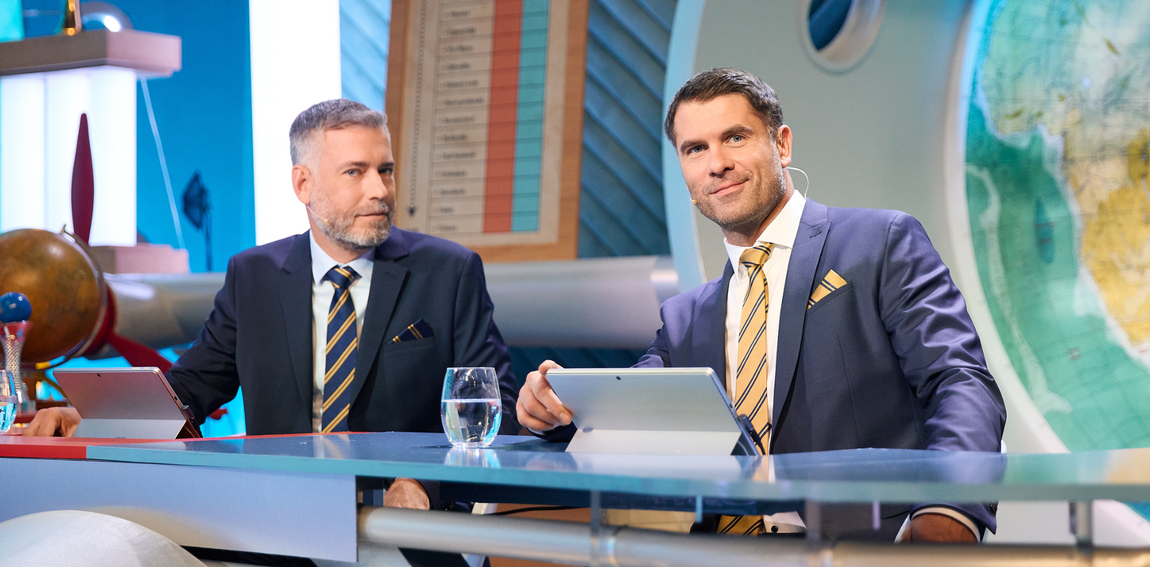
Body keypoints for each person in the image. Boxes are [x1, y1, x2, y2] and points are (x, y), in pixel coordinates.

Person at [517, 68, 1006, 543]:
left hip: (858, 549)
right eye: (695, 149)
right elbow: (625, 415)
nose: (716, 164)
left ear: (782, 145)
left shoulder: (879, 243)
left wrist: (951, 509)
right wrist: (554, 406)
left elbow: (959, 380)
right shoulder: (684, 318)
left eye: (734, 138)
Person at [29, 99, 520, 562]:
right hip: (276, 523)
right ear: (304, 184)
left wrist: (420, 481)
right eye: (355, 172)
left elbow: (499, 409)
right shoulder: (253, 276)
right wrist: (93, 417)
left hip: (398, 525)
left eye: (385, 170)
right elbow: (190, 389)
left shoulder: (449, 272)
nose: (380, 190)